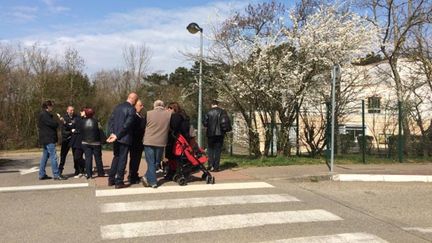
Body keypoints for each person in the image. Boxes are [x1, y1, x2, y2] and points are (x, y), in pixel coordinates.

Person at [106, 93, 138, 189]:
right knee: (122, 159)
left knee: (116, 157)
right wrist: (117, 135)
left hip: (115, 136)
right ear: (134, 100)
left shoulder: (117, 107)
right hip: (124, 137)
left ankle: (111, 179)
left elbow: (111, 121)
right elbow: (127, 125)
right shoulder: (132, 109)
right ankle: (119, 181)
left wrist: (112, 133)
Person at [142, 100, 172, 188]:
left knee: (150, 162)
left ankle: (153, 181)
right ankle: (147, 177)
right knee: (156, 162)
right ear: (163, 106)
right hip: (161, 142)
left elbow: (142, 126)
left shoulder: (148, 113)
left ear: (154, 106)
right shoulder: (168, 114)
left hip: (149, 140)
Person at [37, 100, 67, 180]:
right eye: (51, 106)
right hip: (49, 138)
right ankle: (56, 174)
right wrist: (59, 121)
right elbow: (53, 124)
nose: (52, 107)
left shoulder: (44, 115)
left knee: (45, 156)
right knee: (53, 156)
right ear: (48, 107)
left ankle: (41, 174)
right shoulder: (45, 115)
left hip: (45, 138)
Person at [203, 100, 231, 172]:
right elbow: (225, 122)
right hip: (220, 134)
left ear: (212, 105)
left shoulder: (208, 112)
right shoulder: (222, 112)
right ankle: (216, 167)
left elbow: (205, 123)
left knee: (210, 150)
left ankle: (210, 165)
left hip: (210, 134)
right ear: (217, 104)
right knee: (218, 150)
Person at [165, 102, 190, 180]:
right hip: (180, 139)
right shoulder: (183, 116)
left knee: (173, 157)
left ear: (173, 108)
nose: (168, 110)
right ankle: (175, 172)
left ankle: (173, 172)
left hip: (174, 140)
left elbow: (173, 128)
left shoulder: (175, 116)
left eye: (169, 108)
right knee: (177, 158)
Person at [80, 108, 105, 179]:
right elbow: (100, 131)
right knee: (98, 158)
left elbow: (80, 131)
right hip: (96, 142)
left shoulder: (82, 122)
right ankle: (100, 173)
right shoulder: (96, 121)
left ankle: (89, 174)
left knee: (88, 158)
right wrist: (103, 140)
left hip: (85, 142)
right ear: (93, 114)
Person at [128, 99, 146, 184]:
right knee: (135, 159)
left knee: (135, 159)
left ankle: (133, 174)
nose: (142, 107)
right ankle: (133, 176)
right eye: (140, 105)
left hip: (138, 141)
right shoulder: (134, 116)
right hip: (135, 141)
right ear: (135, 106)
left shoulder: (139, 116)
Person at [59, 106, 78, 176]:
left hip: (74, 139)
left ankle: (77, 170)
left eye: (73, 110)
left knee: (76, 156)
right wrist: (71, 131)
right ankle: (60, 170)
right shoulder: (64, 118)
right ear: (67, 110)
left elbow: (77, 127)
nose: (72, 111)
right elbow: (63, 131)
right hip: (66, 139)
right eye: (70, 110)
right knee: (63, 156)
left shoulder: (76, 117)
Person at [69, 108, 86, 177]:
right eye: (81, 111)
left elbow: (82, 130)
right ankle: (79, 170)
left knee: (78, 156)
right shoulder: (77, 119)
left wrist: (75, 131)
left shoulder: (87, 120)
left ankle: (86, 167)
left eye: (83, 111)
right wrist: (65, 122)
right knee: (76, 157)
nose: (82, 112)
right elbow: (71, 126)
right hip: (75, 141)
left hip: (83, 141)